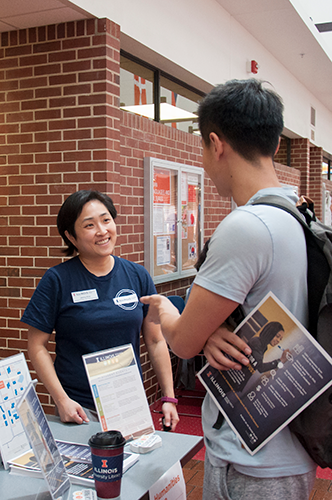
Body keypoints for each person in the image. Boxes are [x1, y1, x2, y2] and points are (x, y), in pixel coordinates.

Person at [141, 79, 316, 499]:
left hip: (253, 459)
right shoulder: (298, 213)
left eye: (202, 149)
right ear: (275, 144)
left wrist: (165, 308)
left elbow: (183, 342)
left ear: (216, 144)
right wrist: (213, 332)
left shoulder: (246, 227)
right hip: (289, 442)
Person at [21, 190, 179, 431]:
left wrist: (168, 397)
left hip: (127, 401)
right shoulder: (57, 280)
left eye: (106, 220)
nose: (102, 231)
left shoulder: (137, 276)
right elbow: (36, 345)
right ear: (71, 237)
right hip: (79, 408)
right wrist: (61, 400)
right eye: (89, 225)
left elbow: (156, 341)